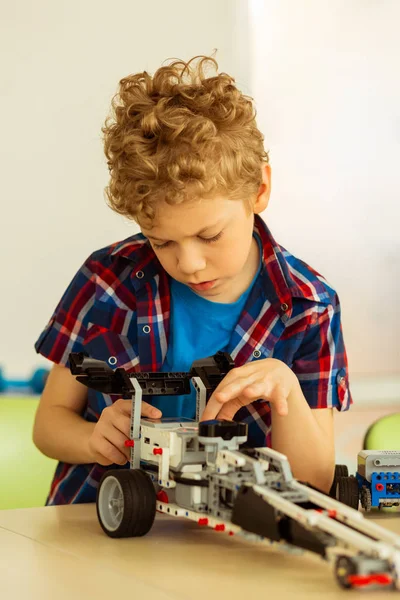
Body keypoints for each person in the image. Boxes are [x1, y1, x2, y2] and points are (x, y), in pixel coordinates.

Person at [33, 55, 352, 505]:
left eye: (209, 235)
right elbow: (49, 425)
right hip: (103, 522)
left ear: (259, 190)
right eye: (161, 242)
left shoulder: (309, 306)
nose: (190, 265)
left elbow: (314, 481)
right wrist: (91, 440)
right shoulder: (107, 279)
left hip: (228, 542)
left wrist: (286, 389)